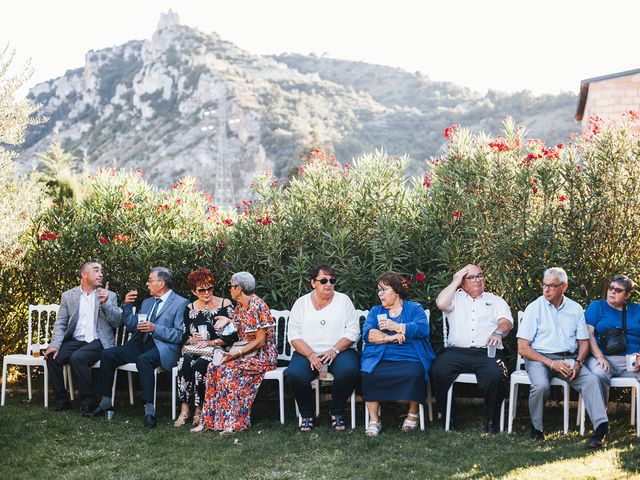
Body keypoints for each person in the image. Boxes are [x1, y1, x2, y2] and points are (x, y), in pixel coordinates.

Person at [84, 267, 188, 428]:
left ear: (160, 283)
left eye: (150, 280)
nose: (147, 284)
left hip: (162, 347)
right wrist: (126, 305)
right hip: (139, 342)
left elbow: (179, 335)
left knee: (144, 360)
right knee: (107, 354)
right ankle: (105, 402)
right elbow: (133, 327)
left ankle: (149, 411)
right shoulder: (147, 302)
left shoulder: (181, 303)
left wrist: (155, 328)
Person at [517, 267, 609, 447]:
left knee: (590, 380)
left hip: (568, 358)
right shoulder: (535, 308)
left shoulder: (575, 309)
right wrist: (551, 363)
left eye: (552, 286)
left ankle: (601, 428)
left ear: (564, 287)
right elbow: (522, 348)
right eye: (544, 285)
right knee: (541, 385)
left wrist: (578, 362)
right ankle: (536, 428)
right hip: (539, 358)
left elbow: (584, 343)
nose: (546, 290)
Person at [192, 271, 277, 435]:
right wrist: (228, 321)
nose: (229, 289)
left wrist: (236, 355)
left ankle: (234, 423)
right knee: (213, 368)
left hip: (262, 357)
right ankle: (208, 421)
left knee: (228, 370)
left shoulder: (258, 306)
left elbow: (260, 341)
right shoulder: (240, 307)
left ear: (238, 288)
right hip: (244, 354)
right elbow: (240, 328)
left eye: (231, 286)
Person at [430, 264, 512, 433]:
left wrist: (498, 333)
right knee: (438, 370)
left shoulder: (495, 300)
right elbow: (440, 303)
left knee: (496, 375)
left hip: (487, 351)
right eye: (472, 277)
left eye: (480, 276)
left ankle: (492, 420)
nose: (478, 280)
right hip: (457, 352)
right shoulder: (455, 298)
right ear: (463, 282)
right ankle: (448, 417)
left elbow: (507, 322)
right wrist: (455, 280)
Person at [361, 272, 436, 436]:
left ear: (396, 290)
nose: (380, 294)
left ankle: (413, 412)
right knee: (369, 374)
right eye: (378, 290)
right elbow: (368, 334)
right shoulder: (376, 311)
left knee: (414, 373)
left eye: (383, 290)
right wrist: (389, 337)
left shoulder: (414, 308)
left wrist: (397, 326)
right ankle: (374, 419)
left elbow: (423, 329)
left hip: (411, 356)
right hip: (381, 356)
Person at [286, 265, 360, 432]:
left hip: (340, 351)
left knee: (348, 370)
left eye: (332, 281)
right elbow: (293, 335)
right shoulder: (301, 303)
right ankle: (307, 415)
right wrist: (310, 354)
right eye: (324, 280)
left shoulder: (343, 300)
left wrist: (334, 350)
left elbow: (353, 330)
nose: (328, 284)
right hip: (307, 352)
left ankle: (337, 412)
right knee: (295, 374)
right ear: (313, 283)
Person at [44, 260, 122, 413]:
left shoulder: (109, 295)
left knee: (77, 358)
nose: (100, 274)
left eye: (101, 271)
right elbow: (60, 323)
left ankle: (88, 402)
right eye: (96, 270)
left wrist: (106, 303)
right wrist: (55, 345)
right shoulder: (68, 296)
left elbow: (117, 322)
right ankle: (62, 401)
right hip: (76, 340)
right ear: (84, 274)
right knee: (52, 357)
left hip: (98, 341)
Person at [174, 268, 237, 427]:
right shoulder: (190, 308)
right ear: (194, 291)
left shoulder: (225, 304)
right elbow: (183, 335)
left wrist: (212, 342)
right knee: (184, 362)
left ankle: (199, 409)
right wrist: (191, 339)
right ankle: (185, 408)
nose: (207, 292)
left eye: (210, 288)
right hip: (195, 348)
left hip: (218, 350)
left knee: (201, 364)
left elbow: (233, 335)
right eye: (202, 290)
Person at [584, 274, 640, 400]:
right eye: (611, 288)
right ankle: (600, 417)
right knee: (598, 374)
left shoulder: (637, 309)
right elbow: (588, 334)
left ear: (627, 295)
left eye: (618, 290)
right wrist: (599, 356)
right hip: (603, 358)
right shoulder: (597, 306)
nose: (612, 292)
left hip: (632, 361)